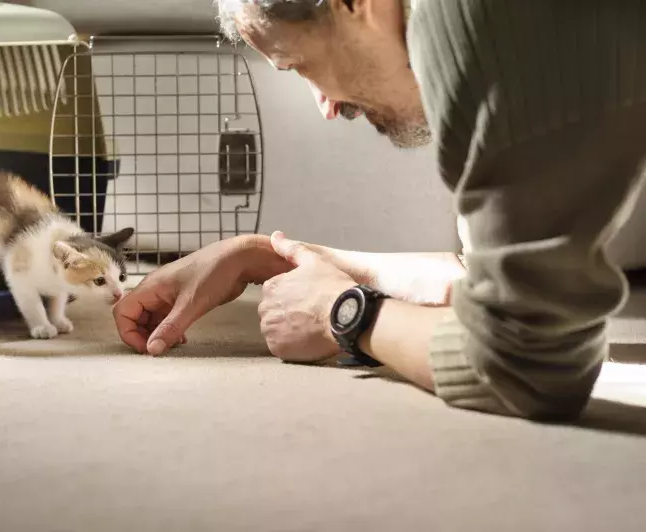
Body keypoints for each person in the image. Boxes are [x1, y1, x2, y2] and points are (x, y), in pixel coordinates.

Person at [114, 0, 646, 420]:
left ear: (356, 4)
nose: (326, 106)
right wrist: (265, 256)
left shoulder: (477, 23)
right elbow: (489, 282)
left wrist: (344, 313)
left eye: (299, 64)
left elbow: (525, 365)